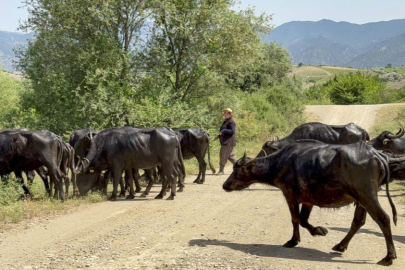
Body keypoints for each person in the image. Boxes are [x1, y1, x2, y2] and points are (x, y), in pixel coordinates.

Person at [213, 108, 237, 174]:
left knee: (222, 154)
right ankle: (241, 166)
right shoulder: (225, 121)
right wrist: (218, 136)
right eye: (225, 113)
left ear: (230, 114)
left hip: (228, 142)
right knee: (230, 156)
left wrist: (223, 130)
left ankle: (221, 171)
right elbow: (223, 132)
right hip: (228, 142)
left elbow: (232, 131)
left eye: (227, 113)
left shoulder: (231, 122)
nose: (225, 114)